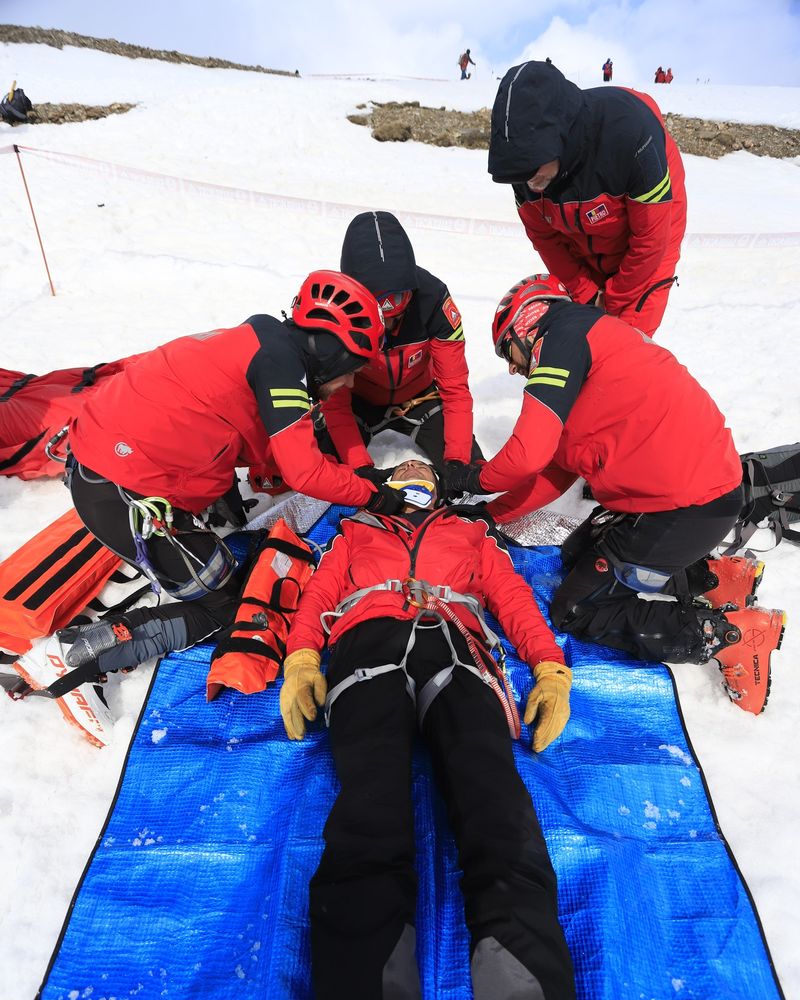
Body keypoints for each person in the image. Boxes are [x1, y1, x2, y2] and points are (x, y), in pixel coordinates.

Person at [247, 459, 721, 1000]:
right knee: (366, 824)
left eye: (421, 468)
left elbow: (510, 600)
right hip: (368, 655)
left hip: (462, 657)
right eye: (398, 466)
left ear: (438, 488)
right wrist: (303, 653)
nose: (410, 473)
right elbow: (316, 595)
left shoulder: (471, 534)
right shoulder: (356, 534)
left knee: (501, 825)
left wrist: (550, 669)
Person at [35, 272, 407, 695]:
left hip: (111, 457)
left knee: (230, 559)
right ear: (332, 355)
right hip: (121, 489)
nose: (352, 383)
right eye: (353, 370)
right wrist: (375, 494)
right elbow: (305, 472)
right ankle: (77, 651)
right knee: (231, 609)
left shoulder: (266, 341)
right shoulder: (280, 366)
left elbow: (243, 432)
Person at [441, 275, 786, 716]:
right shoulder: (592, 343)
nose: (510, 367)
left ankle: (730, 635)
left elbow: (526, 456)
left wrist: (473, 479)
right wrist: (491, 514)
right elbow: (553, 471)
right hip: (692, 496)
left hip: (684, 507)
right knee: (576, 557)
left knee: (576, 608)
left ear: (527, 324)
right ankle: (716, 578)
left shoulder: (562, 336)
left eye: (506, 349)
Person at [488, 60, 687, 337]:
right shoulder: (526, 171)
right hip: (582, 232)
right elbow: (547, 240)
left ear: (559, 139)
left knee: (627, 338)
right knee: (582, 333)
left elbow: (650, 242)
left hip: (648, 235)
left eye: (534, 173)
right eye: (522, 177)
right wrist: (588, 294)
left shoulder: (631, 136)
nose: (530, 184)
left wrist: (615, 300)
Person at [313, 211, 483, 479]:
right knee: (330, 471)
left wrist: (457, 461)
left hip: (420, 398)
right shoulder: (334, 306)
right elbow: (335, 403)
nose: (389, 327)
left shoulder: (434, 299)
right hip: (357, 401)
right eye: (379, 318)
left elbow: (455, 388)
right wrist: (359, 467)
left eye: (397, 314)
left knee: (467, 471)